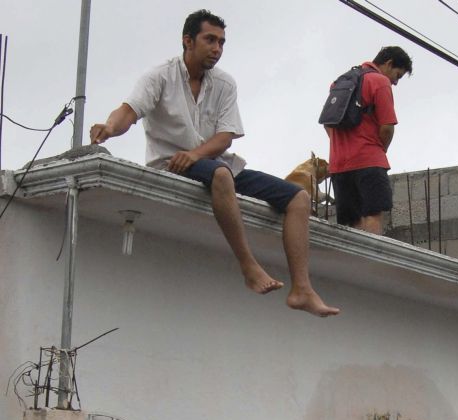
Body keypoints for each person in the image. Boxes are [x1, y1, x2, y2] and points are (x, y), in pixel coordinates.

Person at [90, 10, 339, 318]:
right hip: (171, 164)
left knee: (298, 197)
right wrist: (109, 128)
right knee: (221, 175)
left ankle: (302, 289)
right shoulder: (159, 77)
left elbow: (225, 138)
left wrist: (196, 155)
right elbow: (128, 111)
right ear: (187, 41)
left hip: (212, 162)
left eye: (222, 42)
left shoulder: (224, 83)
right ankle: (249, 267)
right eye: (210, 40)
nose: (217, 48)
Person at [326, 47, 412, 234]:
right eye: (397, 75)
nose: (395, 82)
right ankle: (371, 263)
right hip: (369, 161)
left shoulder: (340, 82)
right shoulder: (379, 82)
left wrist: (342, 146)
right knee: (372, 214)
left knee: (351, 223)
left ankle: (353, 262)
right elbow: (387, 127)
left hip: (339, 166)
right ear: (388, 63)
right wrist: (378, 150)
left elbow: (327, 123)